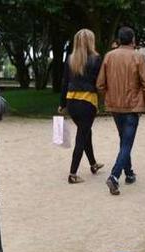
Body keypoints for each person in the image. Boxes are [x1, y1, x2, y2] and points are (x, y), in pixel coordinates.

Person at [96, 26, 145, 196]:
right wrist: (144, 103)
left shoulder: (109, 56)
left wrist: (108, 97)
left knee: (124, 140)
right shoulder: (138, 57)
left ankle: (129, 173)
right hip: (132, 106)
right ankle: (114, 176)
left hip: (115, 105)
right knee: (127, 143)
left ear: (120, 39)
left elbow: (100, 84)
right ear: (133, 40)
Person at [59, 29, 105, 184]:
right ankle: (72, 173)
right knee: (82, 136)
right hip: (87, 102)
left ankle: (93, 164)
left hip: (72, 101)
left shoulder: (70, 58)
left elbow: (64, 82)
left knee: (86, 133)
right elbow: (100, 82)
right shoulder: (97, 58)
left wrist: (62, 103)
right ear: (90, 41)